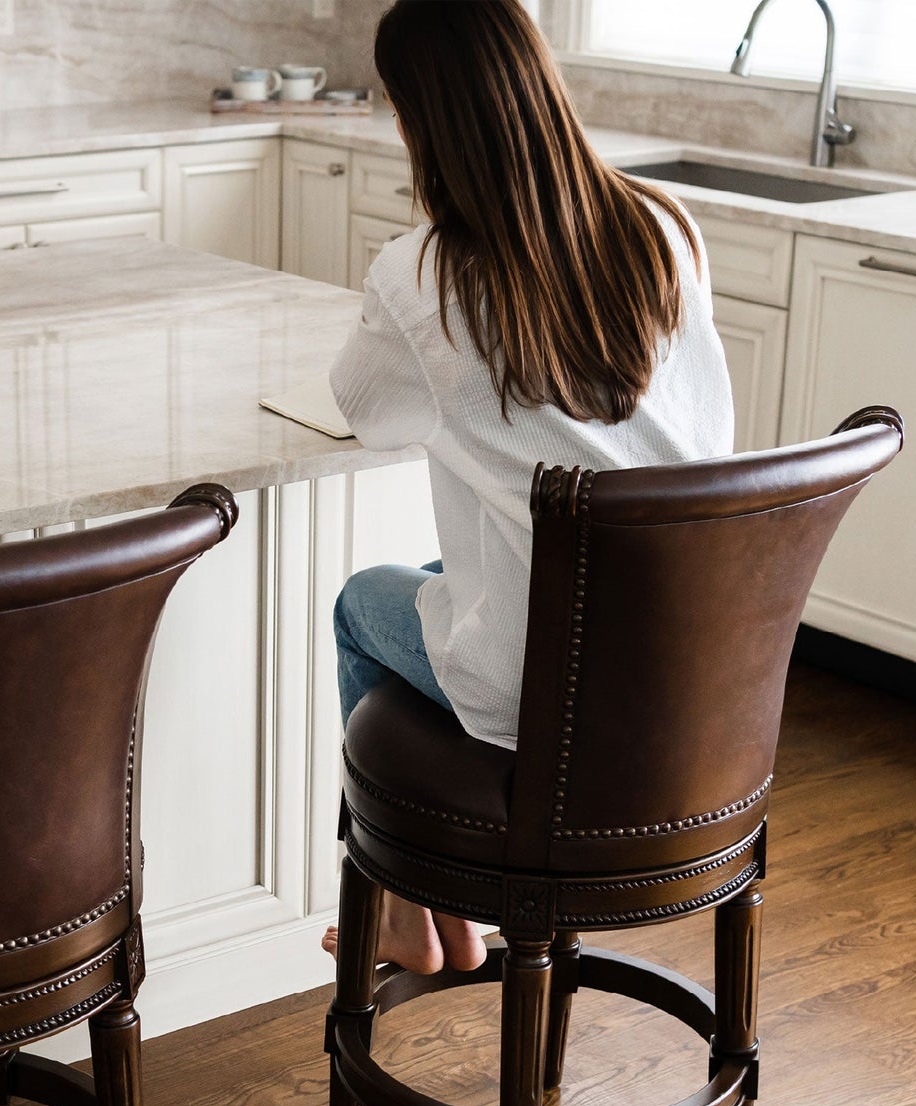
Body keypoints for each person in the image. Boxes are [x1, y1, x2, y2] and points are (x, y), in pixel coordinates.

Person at [323, 0, 734, 974]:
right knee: (450, 572)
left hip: (544, 694)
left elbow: (362, 408)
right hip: (688, 670)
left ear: (426, 125)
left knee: (357, 604)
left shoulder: (420, 275)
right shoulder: (660, 228)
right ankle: (437, 920)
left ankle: (411, 916)